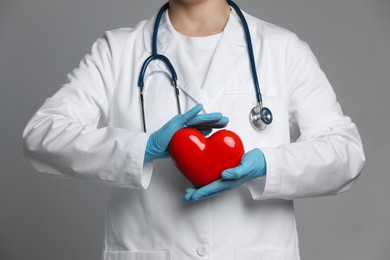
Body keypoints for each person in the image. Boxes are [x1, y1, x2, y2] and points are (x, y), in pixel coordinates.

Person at [22, 0, 365, 259]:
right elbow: (42, 135)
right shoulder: (118, 51)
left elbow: (345, 151)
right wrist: (142, 149)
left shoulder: (282, 49)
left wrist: (268, 164)